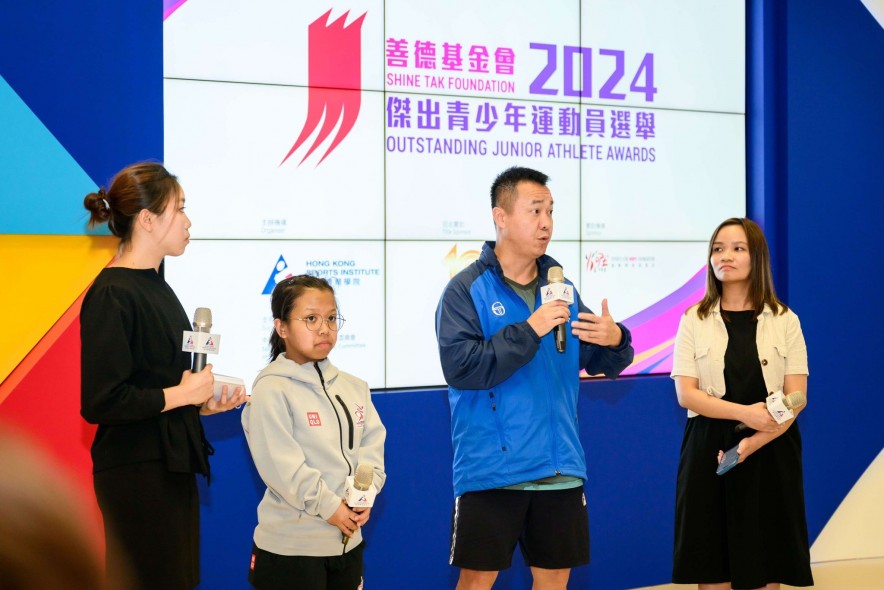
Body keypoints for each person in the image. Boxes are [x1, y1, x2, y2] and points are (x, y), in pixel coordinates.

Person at [435, 166, 635, 590]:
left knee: (554, 582)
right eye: (534, 210)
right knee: (475, 582)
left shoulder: (561, 288)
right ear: (501, 217)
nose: (546, 223)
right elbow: (463, 368)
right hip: (493, 469)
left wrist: (616, 339)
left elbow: (603, 359)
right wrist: (530, 329)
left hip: (560, 466)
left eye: (550, 211)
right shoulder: (465, 291)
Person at [80, 161, 247, 590]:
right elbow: (103, 400)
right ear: (149, 220)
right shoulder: (112, 293)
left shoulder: (157, 285)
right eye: (180, 209)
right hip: (135, 473)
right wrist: (181, 393)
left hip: (169, 467)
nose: (189, 222)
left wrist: (204, 401)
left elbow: (158, 383)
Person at [671, 217, 813, 589]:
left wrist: (751, 441)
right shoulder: (693, 320)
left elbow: (796, 397)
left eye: (737, 248)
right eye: (718, 249)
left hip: (771, 446)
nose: (725, 256)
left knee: (766, 566)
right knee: (711, 565)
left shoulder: (786, 320)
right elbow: (687, 395)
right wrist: (743, 414)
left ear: (757, 258)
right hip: (709, 449)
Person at [242, 275, 386, 590]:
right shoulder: (271, 389)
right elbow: (283, 467)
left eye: (331, 318)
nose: (324, 328)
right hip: (291, 551)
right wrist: (330, 506)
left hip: (347, 545)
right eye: (311, 319)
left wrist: (366, 494)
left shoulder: (354, 386)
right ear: (282, 328)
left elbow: (371, 446)